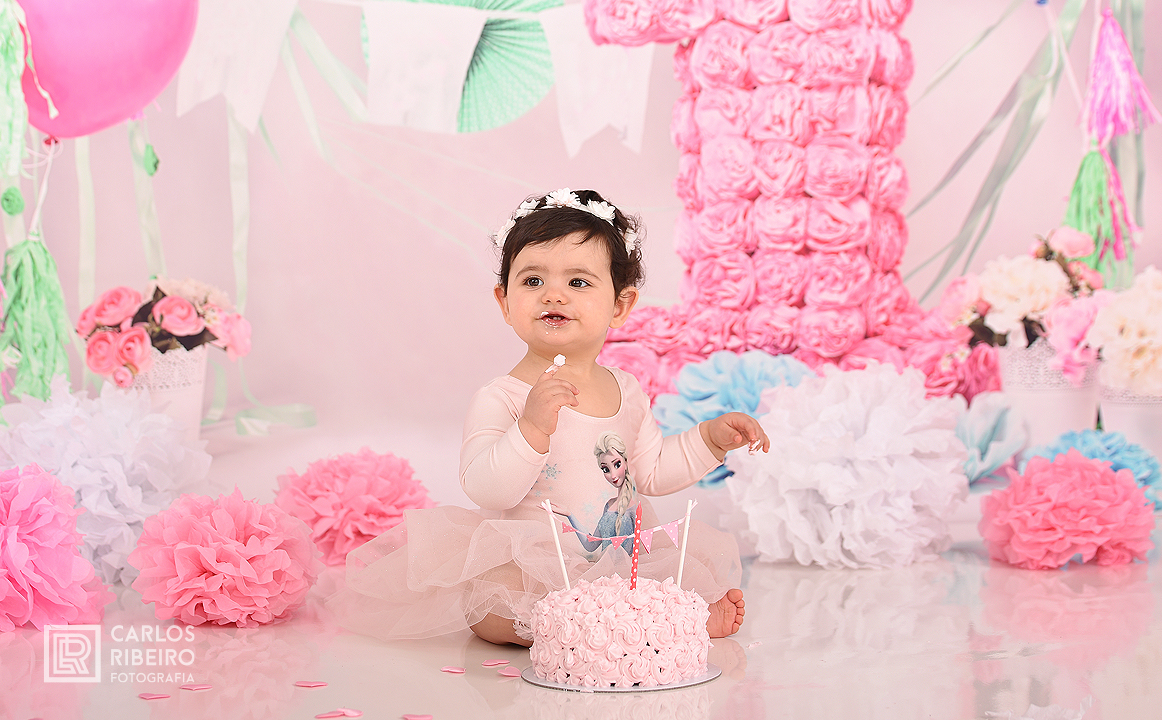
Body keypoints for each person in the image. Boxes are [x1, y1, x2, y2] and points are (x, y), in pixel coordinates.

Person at [329, 188, 767, 646]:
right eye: (533, 280)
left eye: (578, 282)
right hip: (534, 567)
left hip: (620, 560)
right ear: (505, 301)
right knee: (492, 608)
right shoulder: (503, 397)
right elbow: (485, 487)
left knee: (677, 572)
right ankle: (596, 627)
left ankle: (658, 619)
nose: (553, 294)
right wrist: (531, 428)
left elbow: (652, 470)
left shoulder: (627, 390)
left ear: (619, 306)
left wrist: (708, 441)